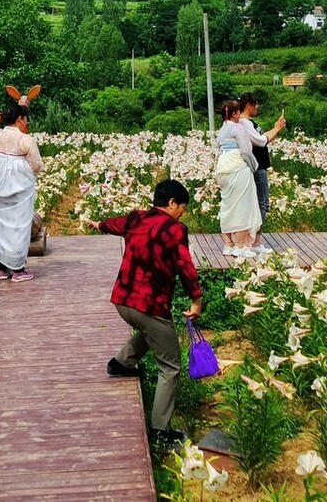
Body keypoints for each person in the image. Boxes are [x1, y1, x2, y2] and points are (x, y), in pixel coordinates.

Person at [88, 179, 203, 451]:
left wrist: (98, 225)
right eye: (182, 208)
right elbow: (185, 266)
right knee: (170, 365)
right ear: (172, 203)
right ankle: (161, 432)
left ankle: (121, 364)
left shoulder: (136, 218)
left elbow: (114, 223)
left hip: (123, 301)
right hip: (149, 305)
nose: (181, 214)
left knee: (153, 330)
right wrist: (196, 299)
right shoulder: (175, 230)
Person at [0, 102, 43, 281]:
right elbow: (36, 165)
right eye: (25, 118)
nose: (26, 122)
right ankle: (18, 270)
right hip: (21, 187)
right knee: (20, 226)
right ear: (20, 119)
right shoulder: (25, 139)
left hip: (1, 187)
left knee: (3, 226)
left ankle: (3, 268)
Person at [237, 94, 287, 253]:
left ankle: (253, 240)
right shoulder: (245, 123)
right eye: (256, 104)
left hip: (259, 167)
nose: (258, 108)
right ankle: (255, 242)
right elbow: (260, 141)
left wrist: (276, 128)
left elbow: (262, 138)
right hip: (257, 168)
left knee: (259, 203)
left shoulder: (247, 123)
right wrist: (277, 128)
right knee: (262, 203)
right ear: (249, 105)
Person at [214, 99, 262, 258]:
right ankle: (240, 246)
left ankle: (228, 244)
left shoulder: (221, 130)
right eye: (238, 112)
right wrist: (254, 165)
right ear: (234, 114)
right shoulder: (237, 128)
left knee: (228, 205)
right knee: (242, 206)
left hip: (223, 166)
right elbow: (246, 151)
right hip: (237, 165)